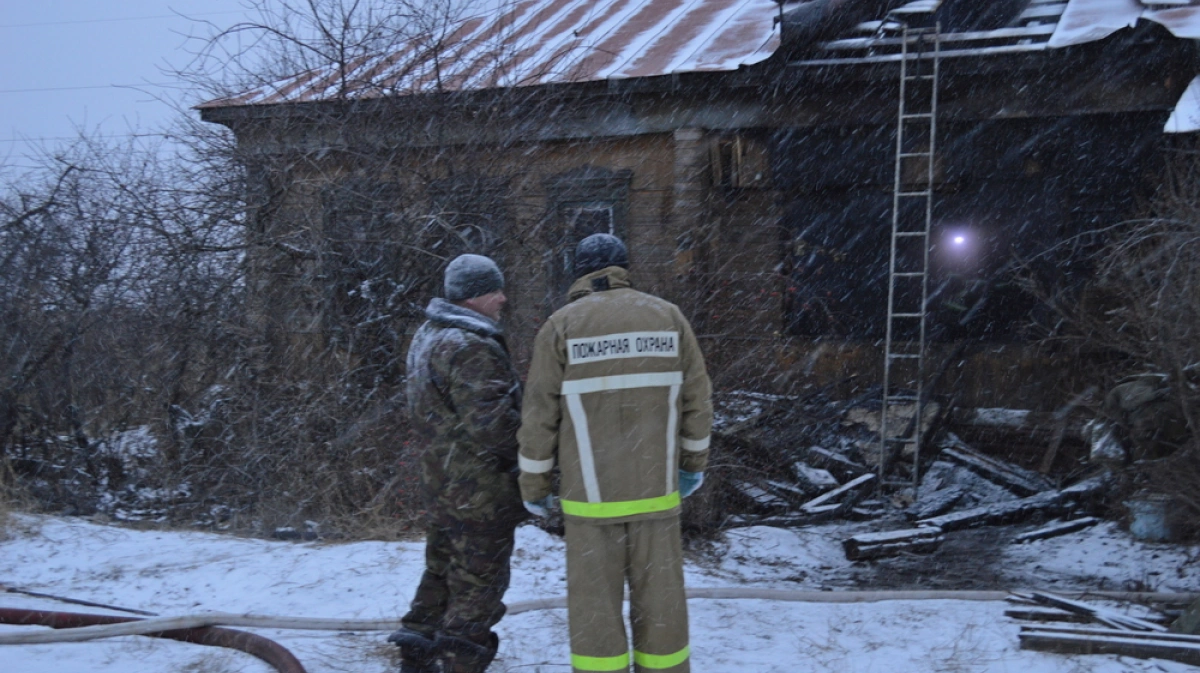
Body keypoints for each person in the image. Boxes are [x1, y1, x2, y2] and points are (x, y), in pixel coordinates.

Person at [518, 234, 713, 673]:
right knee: (662, 607)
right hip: (657, 496)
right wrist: (690, 465)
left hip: (591, 503)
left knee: (595, 614)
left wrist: (534, 484)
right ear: (624, 267)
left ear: (579, 271)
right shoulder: (668, 317)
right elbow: (698, 401)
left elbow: (539, 416)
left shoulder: (562, 325)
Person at [389, 253, 527, 673]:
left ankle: (416, 654)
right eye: (494, 290)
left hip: (443, 486)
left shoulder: (429, 336)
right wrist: (539, 454)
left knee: (440, 572)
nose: (503, 298)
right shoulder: (468, 346)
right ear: (473, 297)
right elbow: (496, 428)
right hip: (479, 493)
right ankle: (457, 661)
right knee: (477, 587)